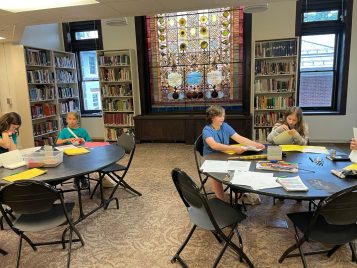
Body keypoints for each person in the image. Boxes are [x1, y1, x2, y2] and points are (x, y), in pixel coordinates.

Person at [202, 105, 265, 201]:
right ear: (212, 117)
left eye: (223, 116)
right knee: (215, 175)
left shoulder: (225, 126)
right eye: (219, 116)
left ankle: (238, 193)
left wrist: (256, 144)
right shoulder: (206, 130)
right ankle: (221, 201)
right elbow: (214, 145)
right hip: (211, 158)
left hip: (224, 155)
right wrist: (233, 148)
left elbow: (240, 138)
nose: (222, 118)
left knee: (240, 167)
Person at [56, 112, 91, 189]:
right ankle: (82, 179)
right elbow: (58, 142)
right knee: (76, 162)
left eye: (74, 119)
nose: (72, 121)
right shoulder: (65, 131)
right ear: (66, 120)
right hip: (70, 154)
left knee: (80, 161)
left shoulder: (82, 131)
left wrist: (83, 140)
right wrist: (68, 139)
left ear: (77, 120)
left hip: (82, 153)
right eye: (69, 119)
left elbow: (90, 142)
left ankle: (77, 179)